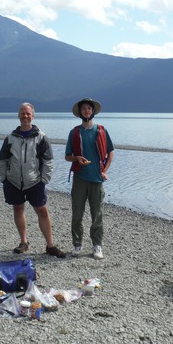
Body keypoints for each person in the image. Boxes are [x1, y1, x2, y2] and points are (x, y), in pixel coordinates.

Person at [0, 102, 65, 258]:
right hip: (13, 181)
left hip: (35, 181)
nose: (25, 116)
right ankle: (23, 242)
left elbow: (48, 160)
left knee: (42, 211)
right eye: (23, 113)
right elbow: (3, 160)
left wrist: (44, 180)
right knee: (18, 209)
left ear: (33, 116)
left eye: (28, 113)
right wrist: (4, 178)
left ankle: (50, 245)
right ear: (18, 115)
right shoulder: (10, 138)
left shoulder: (41, 137)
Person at [64, 97, 115, 259]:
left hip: (97, 179)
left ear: (93, 111)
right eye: (83, 108)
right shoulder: (74, 132)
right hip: (80, 178)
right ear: (80, 112)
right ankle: (77, 245)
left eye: (89, 108)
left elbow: (110, 152)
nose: (86, 110)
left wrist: (104, 170)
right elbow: (67, 156)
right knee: (77, 213)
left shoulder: (101, 131)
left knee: (97, 214)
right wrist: (77, 158)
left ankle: (97, 245)